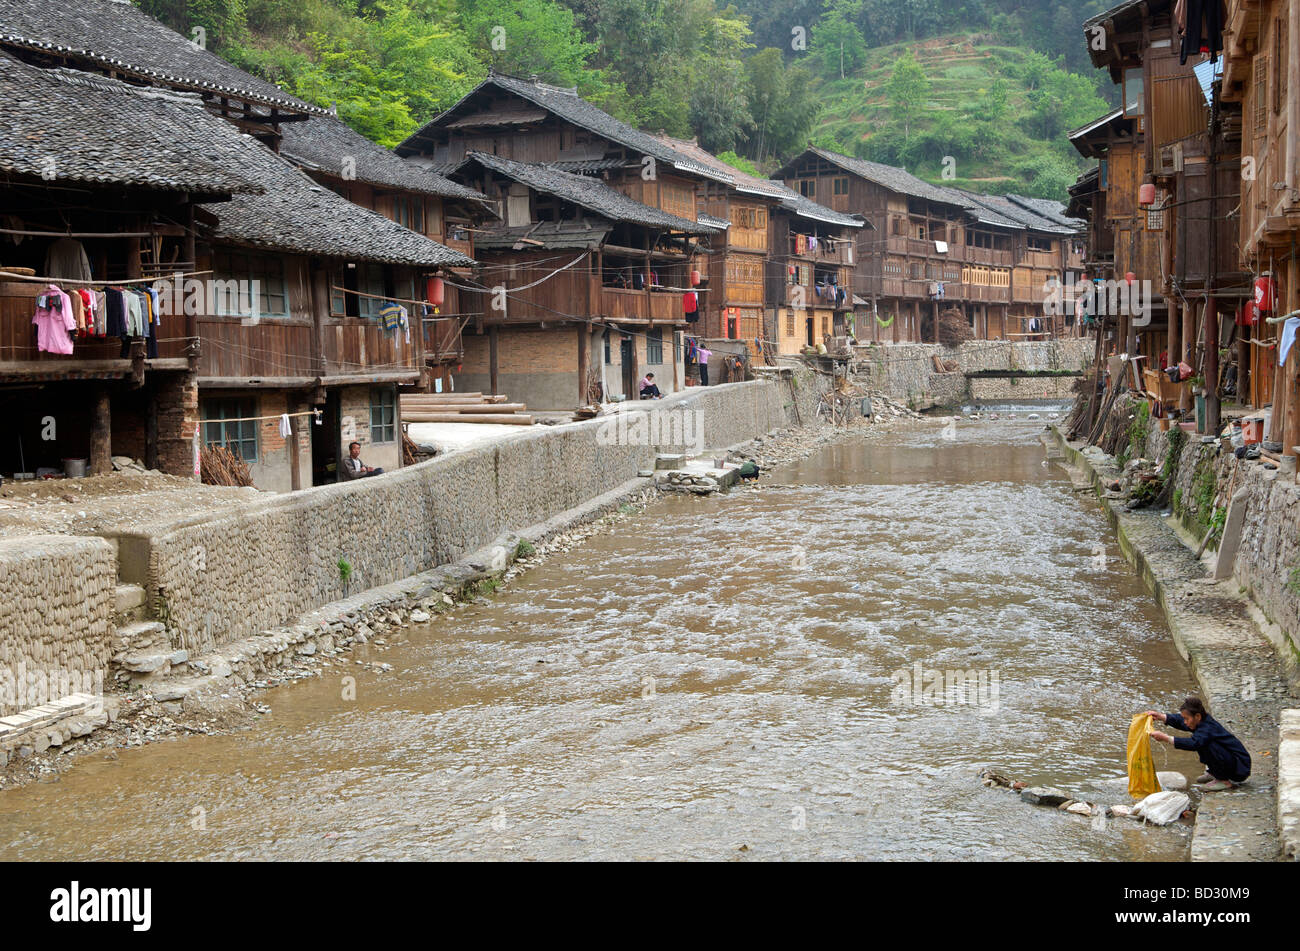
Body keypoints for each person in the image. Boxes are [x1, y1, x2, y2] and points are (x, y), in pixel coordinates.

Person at [1145, 697, 1251, 790]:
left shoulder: (1207, 728)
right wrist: (1162, 716)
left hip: (1239, 768)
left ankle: (1223, 780)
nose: (1185, 722)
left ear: (1198, 716)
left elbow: (1193, 744)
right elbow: (1181, 721)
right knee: (1203, 743)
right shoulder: (1201, 722)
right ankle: (1215, 772)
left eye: (1187, 718)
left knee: (1205, 744)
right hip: (1234, 763)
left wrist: (1166, 738)